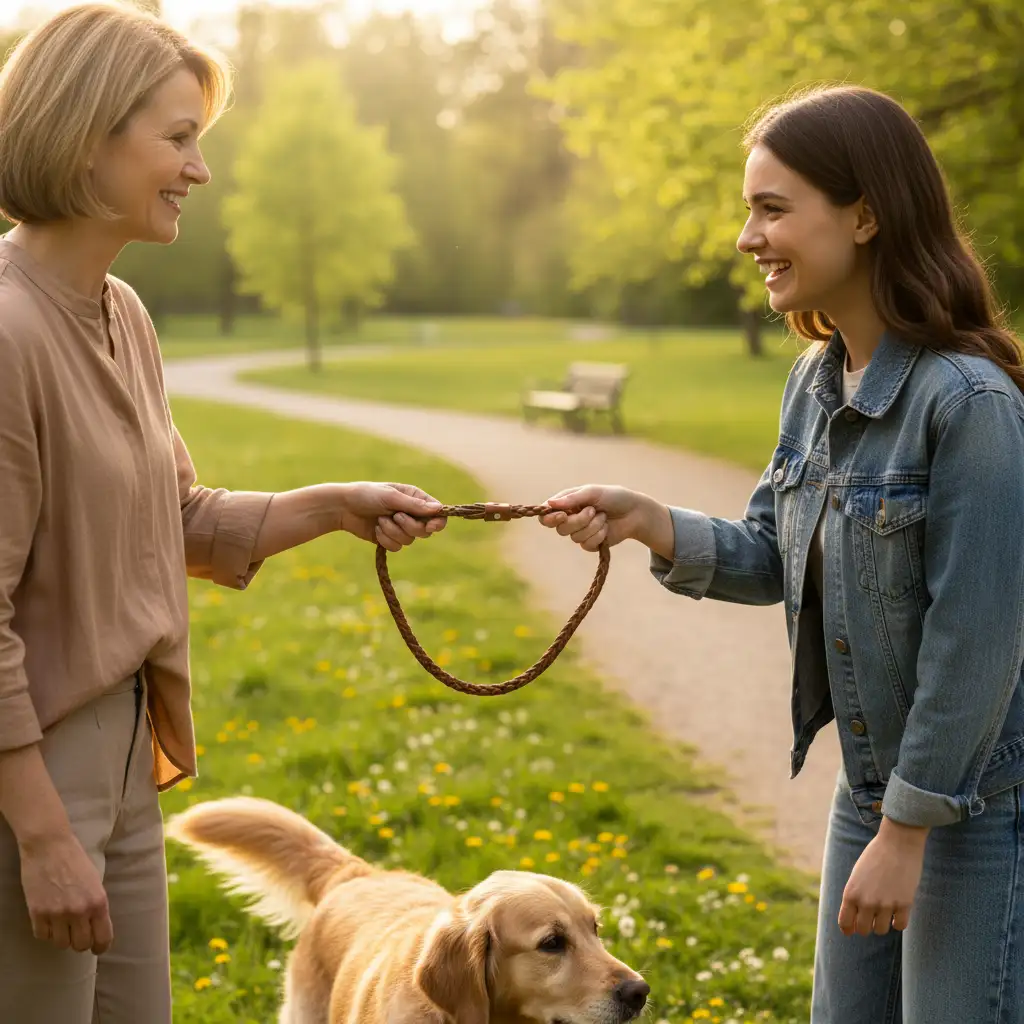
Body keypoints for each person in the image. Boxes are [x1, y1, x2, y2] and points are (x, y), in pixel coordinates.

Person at [0, 3, 448, 1021]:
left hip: (118, 760)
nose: (199, 170)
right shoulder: (10, 333)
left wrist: (334, 505)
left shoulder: (122, 314)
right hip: (31, 772)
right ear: (85, 136)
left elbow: (177, 518)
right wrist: (37, 832)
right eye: (178, 138)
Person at [541, 85, 1024, 1022]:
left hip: (975, 809)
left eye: (771, 208)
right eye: (747, 209)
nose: (745, 236)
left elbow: (978, 644)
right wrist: (648, 518)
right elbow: (772, 550)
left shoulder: (970, 407)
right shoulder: (815, 380)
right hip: (874, 792)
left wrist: (908, 830)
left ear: (866, 214)